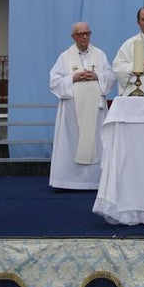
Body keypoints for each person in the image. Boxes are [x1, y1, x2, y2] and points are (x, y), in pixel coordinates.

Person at [48, 22, 116, 190]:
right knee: (73, 142)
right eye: (81, 34)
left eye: (87, 33)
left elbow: (110, 76)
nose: (85, 37)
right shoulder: (65, 57)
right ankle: (69, 181)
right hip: (73, 110)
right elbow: (54, 81)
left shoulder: (99, 55)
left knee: (95, 141)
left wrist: (96, 75)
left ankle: (95, 182)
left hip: (95, 110)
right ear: (73, 37)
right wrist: (73, 78)